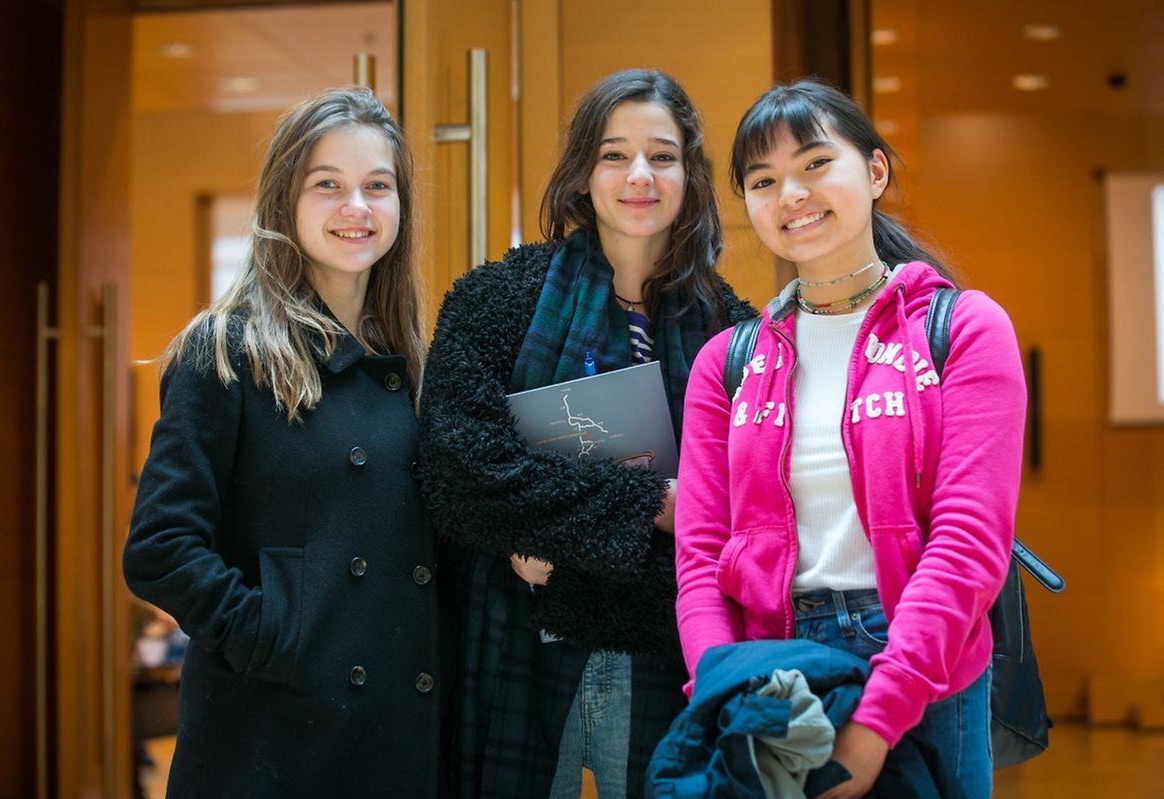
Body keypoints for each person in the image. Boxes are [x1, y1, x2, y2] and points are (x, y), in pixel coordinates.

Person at [674, 78, 1026, 799]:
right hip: (773, 672)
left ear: (874, 170)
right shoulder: (727, 362)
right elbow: (700, 560)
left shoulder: (962, 329)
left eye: (813, 164)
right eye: (763, 180)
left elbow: (968, 543)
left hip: (924, 662)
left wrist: (874, 722)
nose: (791, 194)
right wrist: (732, 690)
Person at [418, 69, 755, 799]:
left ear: (690, 175)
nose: (640, 175)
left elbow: (741, 506)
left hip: (670, 642)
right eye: (614, 154)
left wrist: (555, 533)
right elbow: (460, 475)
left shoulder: (737, 332)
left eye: (663, 156)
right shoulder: (495, 299)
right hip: (516, 637)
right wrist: (652, 503)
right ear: (581, 172)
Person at [122, 87, 440, 797]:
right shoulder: (224, 351)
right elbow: (160, 548)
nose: (356, 207)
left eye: (377, 186)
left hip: (398, 734)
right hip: (272, 734)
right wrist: (274, 635)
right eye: (327, 184)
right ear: (284, 201)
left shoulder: (418, 363)